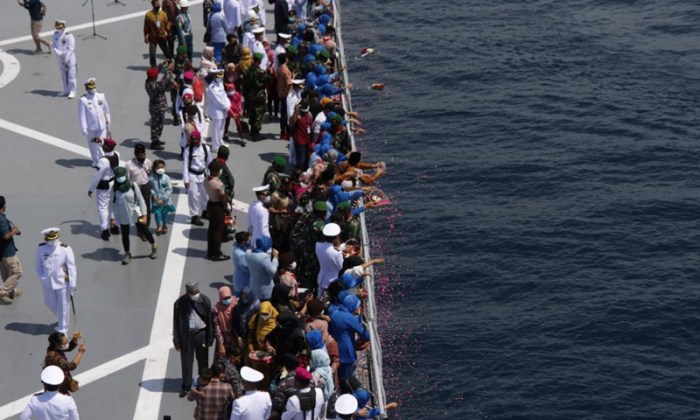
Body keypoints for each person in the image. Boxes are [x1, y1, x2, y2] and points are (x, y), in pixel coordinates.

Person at [173, 280, 214, 398]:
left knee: (203, 361)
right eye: (193, 292)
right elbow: (176, 322)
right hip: (187, 336)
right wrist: (176, 340)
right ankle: (186, 386)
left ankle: (203, 384)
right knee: (186, 361)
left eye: (197, 291)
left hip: (201, 334)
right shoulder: (179, 303)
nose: (196, 294)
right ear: (188, 293)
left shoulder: (205, 300)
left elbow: (210, 320)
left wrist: (209, 338)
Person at [112, 167, 158, 265]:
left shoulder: (133, 185)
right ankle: (127, 253)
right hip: (123, 214)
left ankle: (154, 245)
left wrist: (145, 215)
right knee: (125, 234)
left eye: (122, 175)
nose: (120, 178)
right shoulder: (114, 188)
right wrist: (112, 218)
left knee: (143, 229)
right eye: (118, 176)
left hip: (136, 212)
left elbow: (141, 200)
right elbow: (113, 203)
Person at [35, 228, 77, 333]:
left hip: (62, 282)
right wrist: (42, 276)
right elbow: (38, 265)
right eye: (50, 239)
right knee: (49, 303)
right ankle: (64, 318)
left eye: (54, 239)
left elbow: (71, 267)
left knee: (63, 306)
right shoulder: (41, 248)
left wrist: (72, 284)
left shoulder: (65, 249)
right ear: (46, 238)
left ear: (58, 237)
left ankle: (63, 329)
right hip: (47, 282)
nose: (52, 241)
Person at [329, 294, 369, 380]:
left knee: (339, 372)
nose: (357, 309)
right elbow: (364, 334)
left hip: (336, 346)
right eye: (357, 307)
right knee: (346, 376)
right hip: (347, 351)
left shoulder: (335, 312)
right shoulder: (349, 318)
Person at [87, 137, 119, 241]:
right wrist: (100, 143)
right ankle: (114, 226)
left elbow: (97, 176)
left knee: (102, 207)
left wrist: (91, 189)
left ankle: (105, 230)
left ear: (106, 146)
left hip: (104, 186)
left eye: (104, 144)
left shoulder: (102, 161)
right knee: (113, 205)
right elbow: (109, 150)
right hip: (114, 182)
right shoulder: (117, 155)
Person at [78, 78, 111, 167]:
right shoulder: (83, 100)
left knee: (102, 143)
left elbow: (106, 110)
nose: (93, 89)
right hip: (91, 127)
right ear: (87, 88)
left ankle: (103, 159)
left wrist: (108, 121)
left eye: (94, 87)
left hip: (102, 125)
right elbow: (82, 116)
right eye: (91, 88)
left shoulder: (101, 96)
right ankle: (95, 159)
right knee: (92, 145)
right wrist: (84, 128)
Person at [183, 130, 213, 226]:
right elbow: (185, 165)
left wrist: (211, 176)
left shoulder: (206, 148)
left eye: (196, 140)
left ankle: (205, 212)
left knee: (206, 195)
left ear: (199, 139)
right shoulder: (188, 150)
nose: (194, 142)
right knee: (193, 196)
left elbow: (209, 162)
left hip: (203, 175)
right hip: (192, 175)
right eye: (193, 140)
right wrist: (186, 179)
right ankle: (194, 216)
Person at [204, 160, 230, 261]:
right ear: (217, 171)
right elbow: (222, 198)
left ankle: (210, 252)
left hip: (210, 204)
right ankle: (216, 253)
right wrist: (227, 207)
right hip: (218, 207)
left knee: (211, 230)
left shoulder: (206, 180)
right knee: (218, 231)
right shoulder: (218, 184)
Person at [0, 196, 23, 305]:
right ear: (3, 207)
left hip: (1, 253)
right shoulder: (1, 219)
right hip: (7, 252)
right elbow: (5, 236)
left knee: (6, 273)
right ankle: (2, 292)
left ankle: (11, 292)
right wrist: (14, 231)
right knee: (17, 272)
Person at [125, 144, 154, 229]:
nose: (143, 157)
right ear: (136, 154)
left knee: (147, 208)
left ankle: (146, 227)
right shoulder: (129, 164)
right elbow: (127, 178)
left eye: (144, 154)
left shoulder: (148, 162)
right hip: (135, 188)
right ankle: (140, 227)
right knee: (137, 210)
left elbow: (151, 173)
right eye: (141, 155)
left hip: (146, 186)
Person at [243, 52, 269, 140]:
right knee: (259, 113)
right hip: (259, 95)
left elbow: (245, 83)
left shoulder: (248, 70)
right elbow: (268, 80)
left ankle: (252, 131)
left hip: (250, 95)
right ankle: (256, 133)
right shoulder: (260, 72)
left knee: (252, 112)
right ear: (259, 60)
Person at [144, 63, 171, 150]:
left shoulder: (148, 82)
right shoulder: (156, 86)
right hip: (158, 107)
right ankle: (154, 142)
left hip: (154, 106)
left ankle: (156, 139)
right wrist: (168, 71)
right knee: (157, 124)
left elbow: (155, 72)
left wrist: (161, 65)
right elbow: (164, 80)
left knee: (157, 123)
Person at [246, 236, 279, 301]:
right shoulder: (264, 257)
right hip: (265, 290)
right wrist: (275, 258)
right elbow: (272, 271)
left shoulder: (248, 253)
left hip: (253, 285)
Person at [207, 68, 231, 153]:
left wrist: (228, 104)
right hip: (216, 111)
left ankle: (220, 143)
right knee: (216, 130)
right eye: (218, 76)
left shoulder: (220, 84)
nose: (220, 78)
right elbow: (217, 101)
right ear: (214, 76)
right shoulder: (212, 87)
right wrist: (226, 106)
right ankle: (215, 146)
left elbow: (224, 95)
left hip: (223, 110)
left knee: (221, 128)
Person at [315, 223, 343, 298]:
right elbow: (340, 267)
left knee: (319, 296)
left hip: (321, 278)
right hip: (331, 282)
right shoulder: (336, 254)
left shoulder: (317, 245)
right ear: (337, 237)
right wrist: (340, 250)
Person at [51, 20, 77, 99]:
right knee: (63, 75)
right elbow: (53, 45)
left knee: (71, 75)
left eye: (60, 28)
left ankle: (73, 91)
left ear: (64, 26)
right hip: (60, 57)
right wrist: (57, 51)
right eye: (57, 28)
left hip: (69, 57)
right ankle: (66, 89)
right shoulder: (55, 35)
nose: (59, 29)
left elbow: (71, 48)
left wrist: (66, 57)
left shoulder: (69, 35)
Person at [144, 0, 173, 68]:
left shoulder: (163, 14)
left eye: (158, 3)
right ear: (153, 5)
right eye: (156, 4)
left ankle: (170, 63)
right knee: (152, 53)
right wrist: (145, 36)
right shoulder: (148, 15)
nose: (158, 5)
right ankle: (153, 67)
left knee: (166, 51)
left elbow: (166, 24)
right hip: (152, 37)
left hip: (161, 36)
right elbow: (146, 26)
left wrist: (169, 32)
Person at [150, 159, 175, 235]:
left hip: (165, 200)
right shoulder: (151, 178)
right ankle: (158, 226)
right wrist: (155, 197)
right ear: (154, 168)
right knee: (157, 213)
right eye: (158, 167)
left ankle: (164, 225)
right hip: (156, 200)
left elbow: (169, 189)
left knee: (164, 213)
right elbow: (151, 188)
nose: (160, 169)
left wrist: (163, 198)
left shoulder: (166, 177)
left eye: (162, 167)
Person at [213, 286, 237, 358]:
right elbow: (217, 328)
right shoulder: (217, 309)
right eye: (224, 298)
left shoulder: (236, 304)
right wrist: (220, 344)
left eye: (228, 297)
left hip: (236, 338)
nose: (227, 300)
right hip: (223, 339)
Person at [289, 100, 313, 170]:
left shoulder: (309, 114)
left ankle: (304, 172)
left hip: (307, 140)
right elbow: (292, 121)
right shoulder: (297, 115)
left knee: (306, 158)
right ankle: (297, 173)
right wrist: (296, 110)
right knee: (301, 159)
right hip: (300, 140)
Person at [276, 52, 292, 140]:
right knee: (286, 114)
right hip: (286, 95)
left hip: (281, 93)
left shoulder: (279, 69)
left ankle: (283, 132)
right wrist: (287, 94)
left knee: (283, 114)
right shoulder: (286, 70)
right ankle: (286, 132)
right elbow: (289, 83)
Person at [232, 231, 251, 296]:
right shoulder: (240, 255)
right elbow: (248, 269)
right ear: (243, 242)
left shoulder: (239, 248)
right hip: (243, 283)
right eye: (249, 240)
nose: (250, 242)